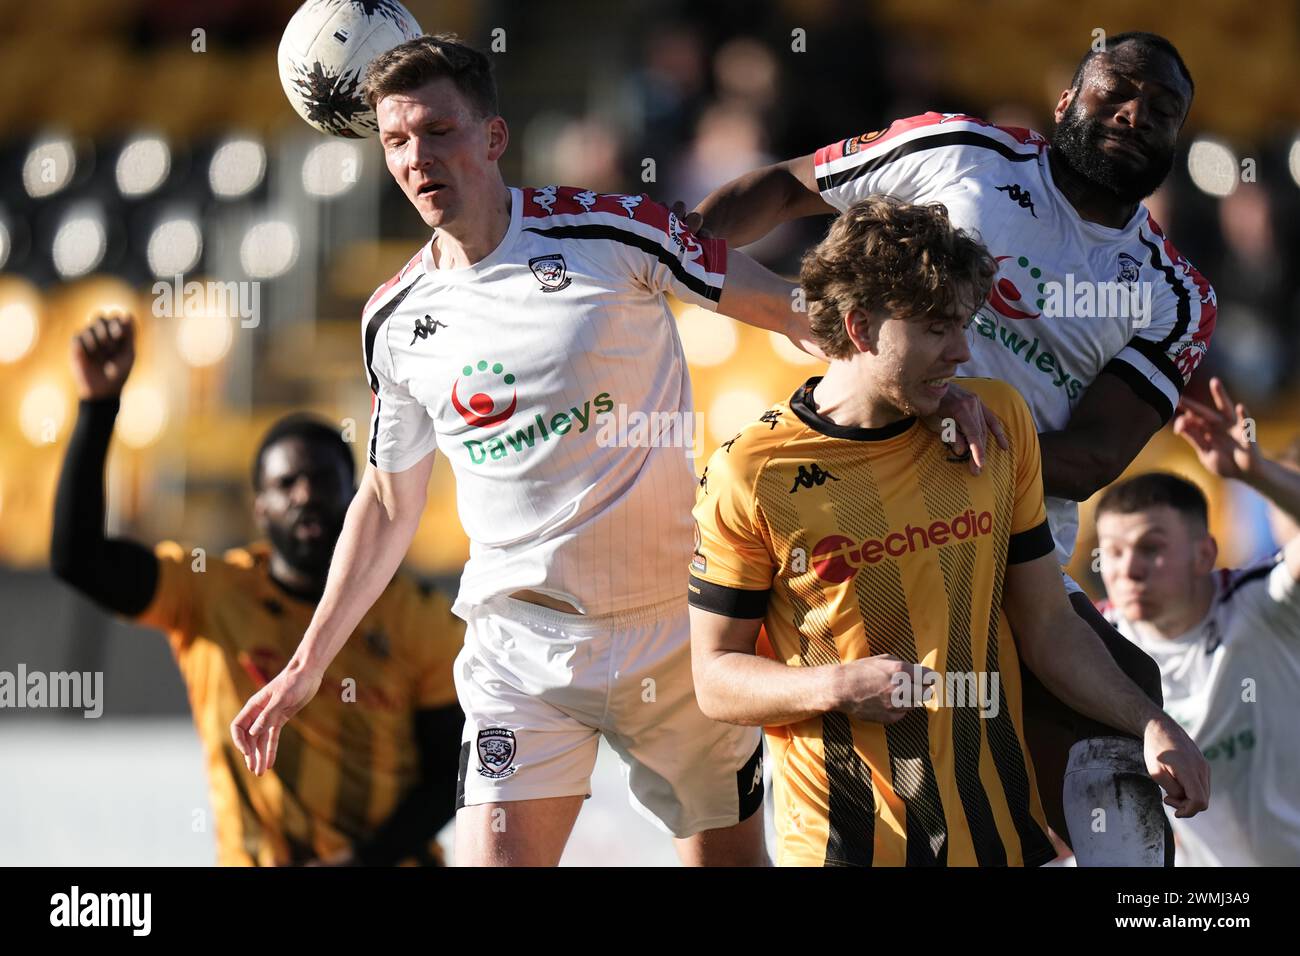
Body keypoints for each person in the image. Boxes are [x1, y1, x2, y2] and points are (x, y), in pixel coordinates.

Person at [227, 32, 859, 867]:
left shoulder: (617, 230)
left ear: (493, 138)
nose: (418, 158)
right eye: (396, 141)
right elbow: (386, 499)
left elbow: (792, 313)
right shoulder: (393, 317)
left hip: (678, 633)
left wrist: (933, 388)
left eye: (439, 131)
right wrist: (309, 663)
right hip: (521, 649)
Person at [684, 30, 1217, 865]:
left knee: (1103, 717)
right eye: (1117, 89)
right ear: (1065, 100)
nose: (1135, 112)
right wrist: (664, 263)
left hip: (1004, 541)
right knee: (717, 737)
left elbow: (1096, 456)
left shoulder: (1175, 294)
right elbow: (782, 191)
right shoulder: (960, 151)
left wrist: (968, 431)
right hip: (841, 491)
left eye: (1163, 109)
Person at [49, 311, 465, 866]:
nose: (305, 495)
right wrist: (97, 406)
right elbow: (79, 560)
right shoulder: (208, 594)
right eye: (285, 483)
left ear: (356, 495)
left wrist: (359, 864)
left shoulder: (419, 617)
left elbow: (451, 772)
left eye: (323, 479)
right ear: (258, 509)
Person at [1095, 379, 1300, 865]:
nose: (1128, 569)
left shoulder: (1265, 601)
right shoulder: (1096, 643)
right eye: (1114, 553)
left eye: (1151, 548)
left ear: (1204, 553)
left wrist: (1254, 470)